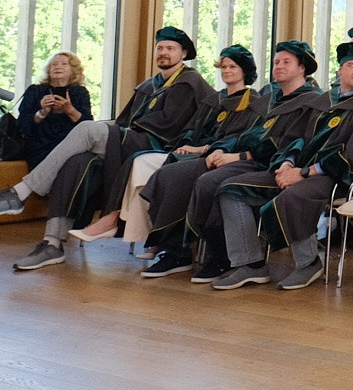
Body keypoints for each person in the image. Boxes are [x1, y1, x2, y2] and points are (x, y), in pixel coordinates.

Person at [0, 26, 219, 266]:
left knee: (85, 128)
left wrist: (120, 130)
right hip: (130, 140)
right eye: (160, 48)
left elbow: (169, 126)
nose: (163, 53)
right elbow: (126, 121)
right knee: (75, 163)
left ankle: (21, 192)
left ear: (183, 53)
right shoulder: (149, 85)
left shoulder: (189, 83)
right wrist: (119, 130)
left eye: (170, 48)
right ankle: (52, 242)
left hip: (158, 146)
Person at [214, 38, 353, 291]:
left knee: (293, 196)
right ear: (340, 70)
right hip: (301, 171)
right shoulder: (323, 102)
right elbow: (295, 138)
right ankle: (250, 264)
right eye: (352, 65)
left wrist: (305, 172)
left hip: (342, 177)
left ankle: (309, 262)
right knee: (231, 189)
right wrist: (288, 162)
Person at [145, 43, 332, 284]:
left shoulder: (312, 102)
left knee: (215, 184)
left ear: (302, 68)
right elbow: (251, 136)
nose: (279, 66)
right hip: (254, 160)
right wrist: (223, 149)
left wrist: (242, 157)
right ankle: (178, 250)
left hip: (277, 167)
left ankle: (226, 257)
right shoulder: (272, 100)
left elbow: (294, 144)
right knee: (174, 174)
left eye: (286, 62)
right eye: (276, 62)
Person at [131, 45, 268, 278]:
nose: (226, 71)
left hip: (222, 158)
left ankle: (181, 250)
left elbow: (240, 139)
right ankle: (173, 249)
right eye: (223, 66)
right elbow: (191, 129)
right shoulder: (213, 100)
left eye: (233, 66)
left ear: (245, 70)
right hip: (195, 154)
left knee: (175, 178)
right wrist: (186, 144)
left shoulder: (254, 103)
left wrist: (204, 148)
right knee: (161, 172)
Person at [16, 51, 91, 170]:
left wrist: (69, 109)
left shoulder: (80, 92)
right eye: (54, 64)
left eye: (64, 64)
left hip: (70, 145)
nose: (58, 67)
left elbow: (88, 125)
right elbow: (22, 124)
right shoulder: (35, 91)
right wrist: (42, 112)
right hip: (40, 145)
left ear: (73, 70)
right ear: (48, 69)